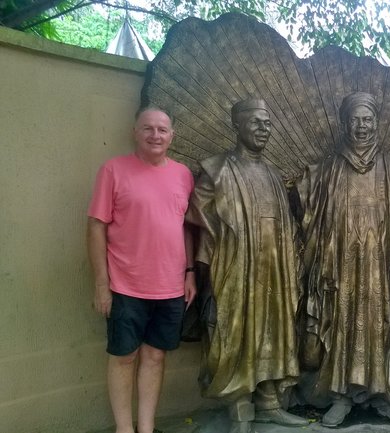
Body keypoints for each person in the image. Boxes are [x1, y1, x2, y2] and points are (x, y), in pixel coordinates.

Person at [296, 92, 390, 427]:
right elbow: (311, 209)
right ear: (345, 123)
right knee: (342, 323)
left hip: (381, 266)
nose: (361, 127)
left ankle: (384, 397)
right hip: (341, 266)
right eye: (355, 120)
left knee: (383, 326)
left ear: (376, 122)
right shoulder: (331, 167)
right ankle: (340, 397)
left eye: (367, 120)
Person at [185, 98, 307, 432]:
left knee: (272, 329)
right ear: (236, 125)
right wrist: (202, 272)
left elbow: (285, 225)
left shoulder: (272, 174)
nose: (263, 129)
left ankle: (268, 401)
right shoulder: (217, 170)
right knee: (235, 332)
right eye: (255, 122)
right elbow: (202, 225)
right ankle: (240, 407)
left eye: (267, 123)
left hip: (273, 270)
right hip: (235, 269)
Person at [87, 107, 196, 433]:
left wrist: (190, 271)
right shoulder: (113, 171)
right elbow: (96, 227)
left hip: (171, 286)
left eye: (162, 130)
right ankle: (124, 429)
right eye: (148, 128)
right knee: (123, 357)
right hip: (125, 286)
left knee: (156, 358)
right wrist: (101, 284)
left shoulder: (183, 174)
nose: (155, 135)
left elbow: (186, 227)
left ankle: (146, 428)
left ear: (172, 136)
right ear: (135, 131)